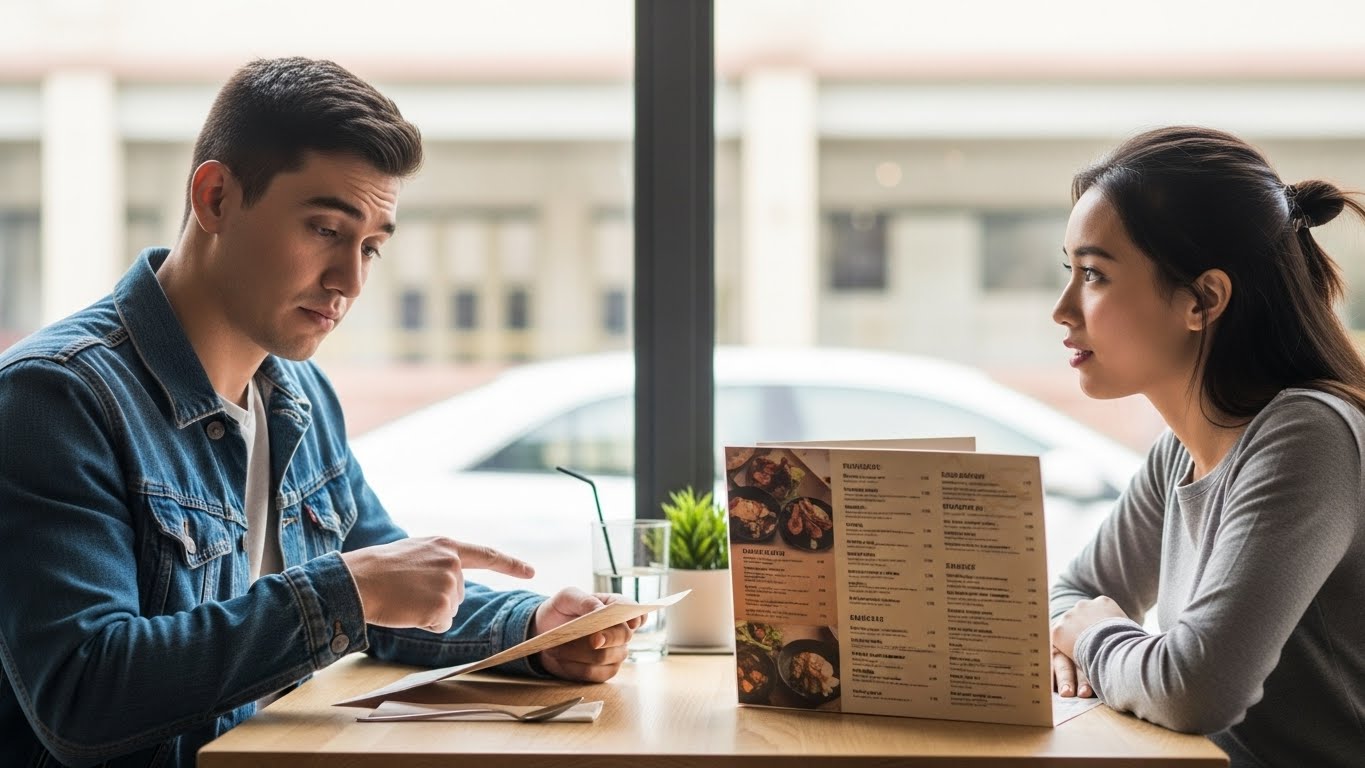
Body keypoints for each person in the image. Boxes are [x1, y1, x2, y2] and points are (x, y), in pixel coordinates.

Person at [0, 57, 641, 767]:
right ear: (215, 198)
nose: (351, 281)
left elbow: (390, 589)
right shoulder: (54, 398)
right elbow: (83, 693)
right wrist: (345, 593)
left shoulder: (300, 396)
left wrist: (535, 630)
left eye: (371, 247)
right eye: (326, 230)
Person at [1048, 126, 1365, 767]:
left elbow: (1196, 688)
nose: (1062, 308)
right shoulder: (1180, 451)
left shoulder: (1307, 436)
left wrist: (1093, 641)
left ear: (1203, 299)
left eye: (1094, 274)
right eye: (1069, 272)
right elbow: (1073, 591)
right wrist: (1084, 638)